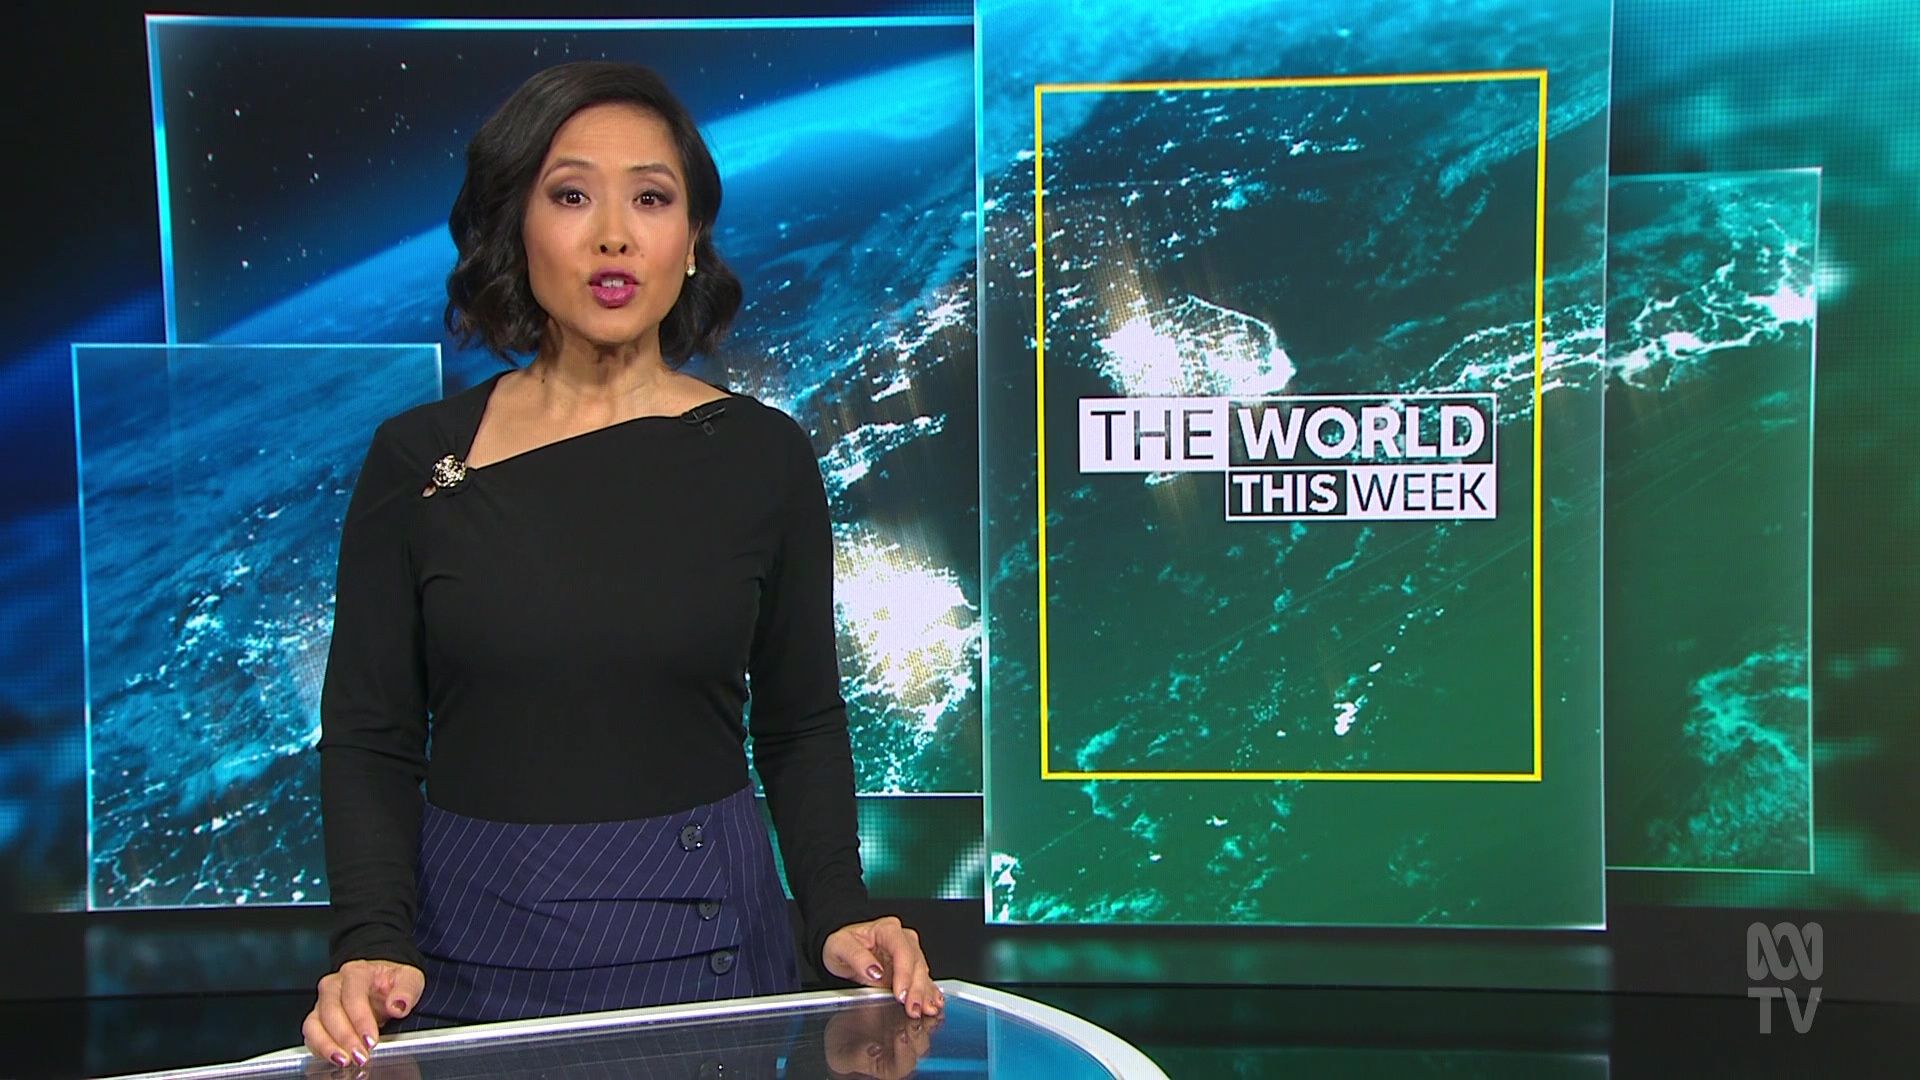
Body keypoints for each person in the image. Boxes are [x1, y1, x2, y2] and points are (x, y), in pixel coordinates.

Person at [302, 61, 942, 1069]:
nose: (614, 235)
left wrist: (837, 911)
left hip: (708, 958)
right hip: (464, 962)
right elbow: (371, 736)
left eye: (651, 198)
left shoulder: (763, 456)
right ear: (515, 227)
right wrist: (370, 938)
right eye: (571, 197)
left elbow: (800, 723)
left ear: (691, 240)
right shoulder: (413, 460)